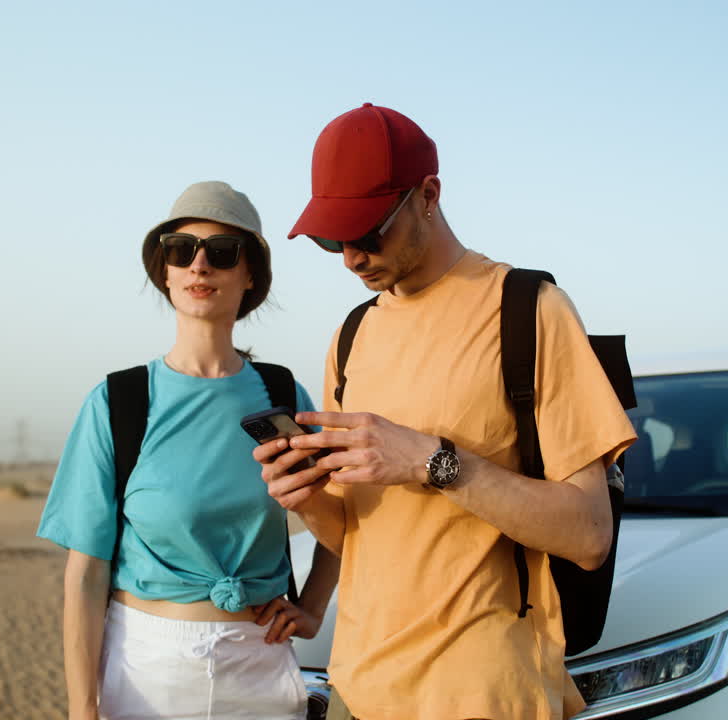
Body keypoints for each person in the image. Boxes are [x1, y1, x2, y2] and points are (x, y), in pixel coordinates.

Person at [256, 104, 636, 720]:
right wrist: (305, 498)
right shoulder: (351, 337)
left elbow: (590, 536)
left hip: (484, 693)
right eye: (333, 239)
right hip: (357, 687)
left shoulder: (529, 309)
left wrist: (434, 462)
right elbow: (356, 537)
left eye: (367, 231)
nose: (351, 257)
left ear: (428, 195)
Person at [37, 180, 339, 720]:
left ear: (250, 275)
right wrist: (83, 708)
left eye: (222, 252)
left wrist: (313, 608)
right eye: (181, 250)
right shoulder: (119, 402)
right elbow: (85, 574)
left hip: (263, 666)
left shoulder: (283, 395)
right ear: (166, 271)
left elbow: (340, 523)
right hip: (146, 671)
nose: (199, 265)